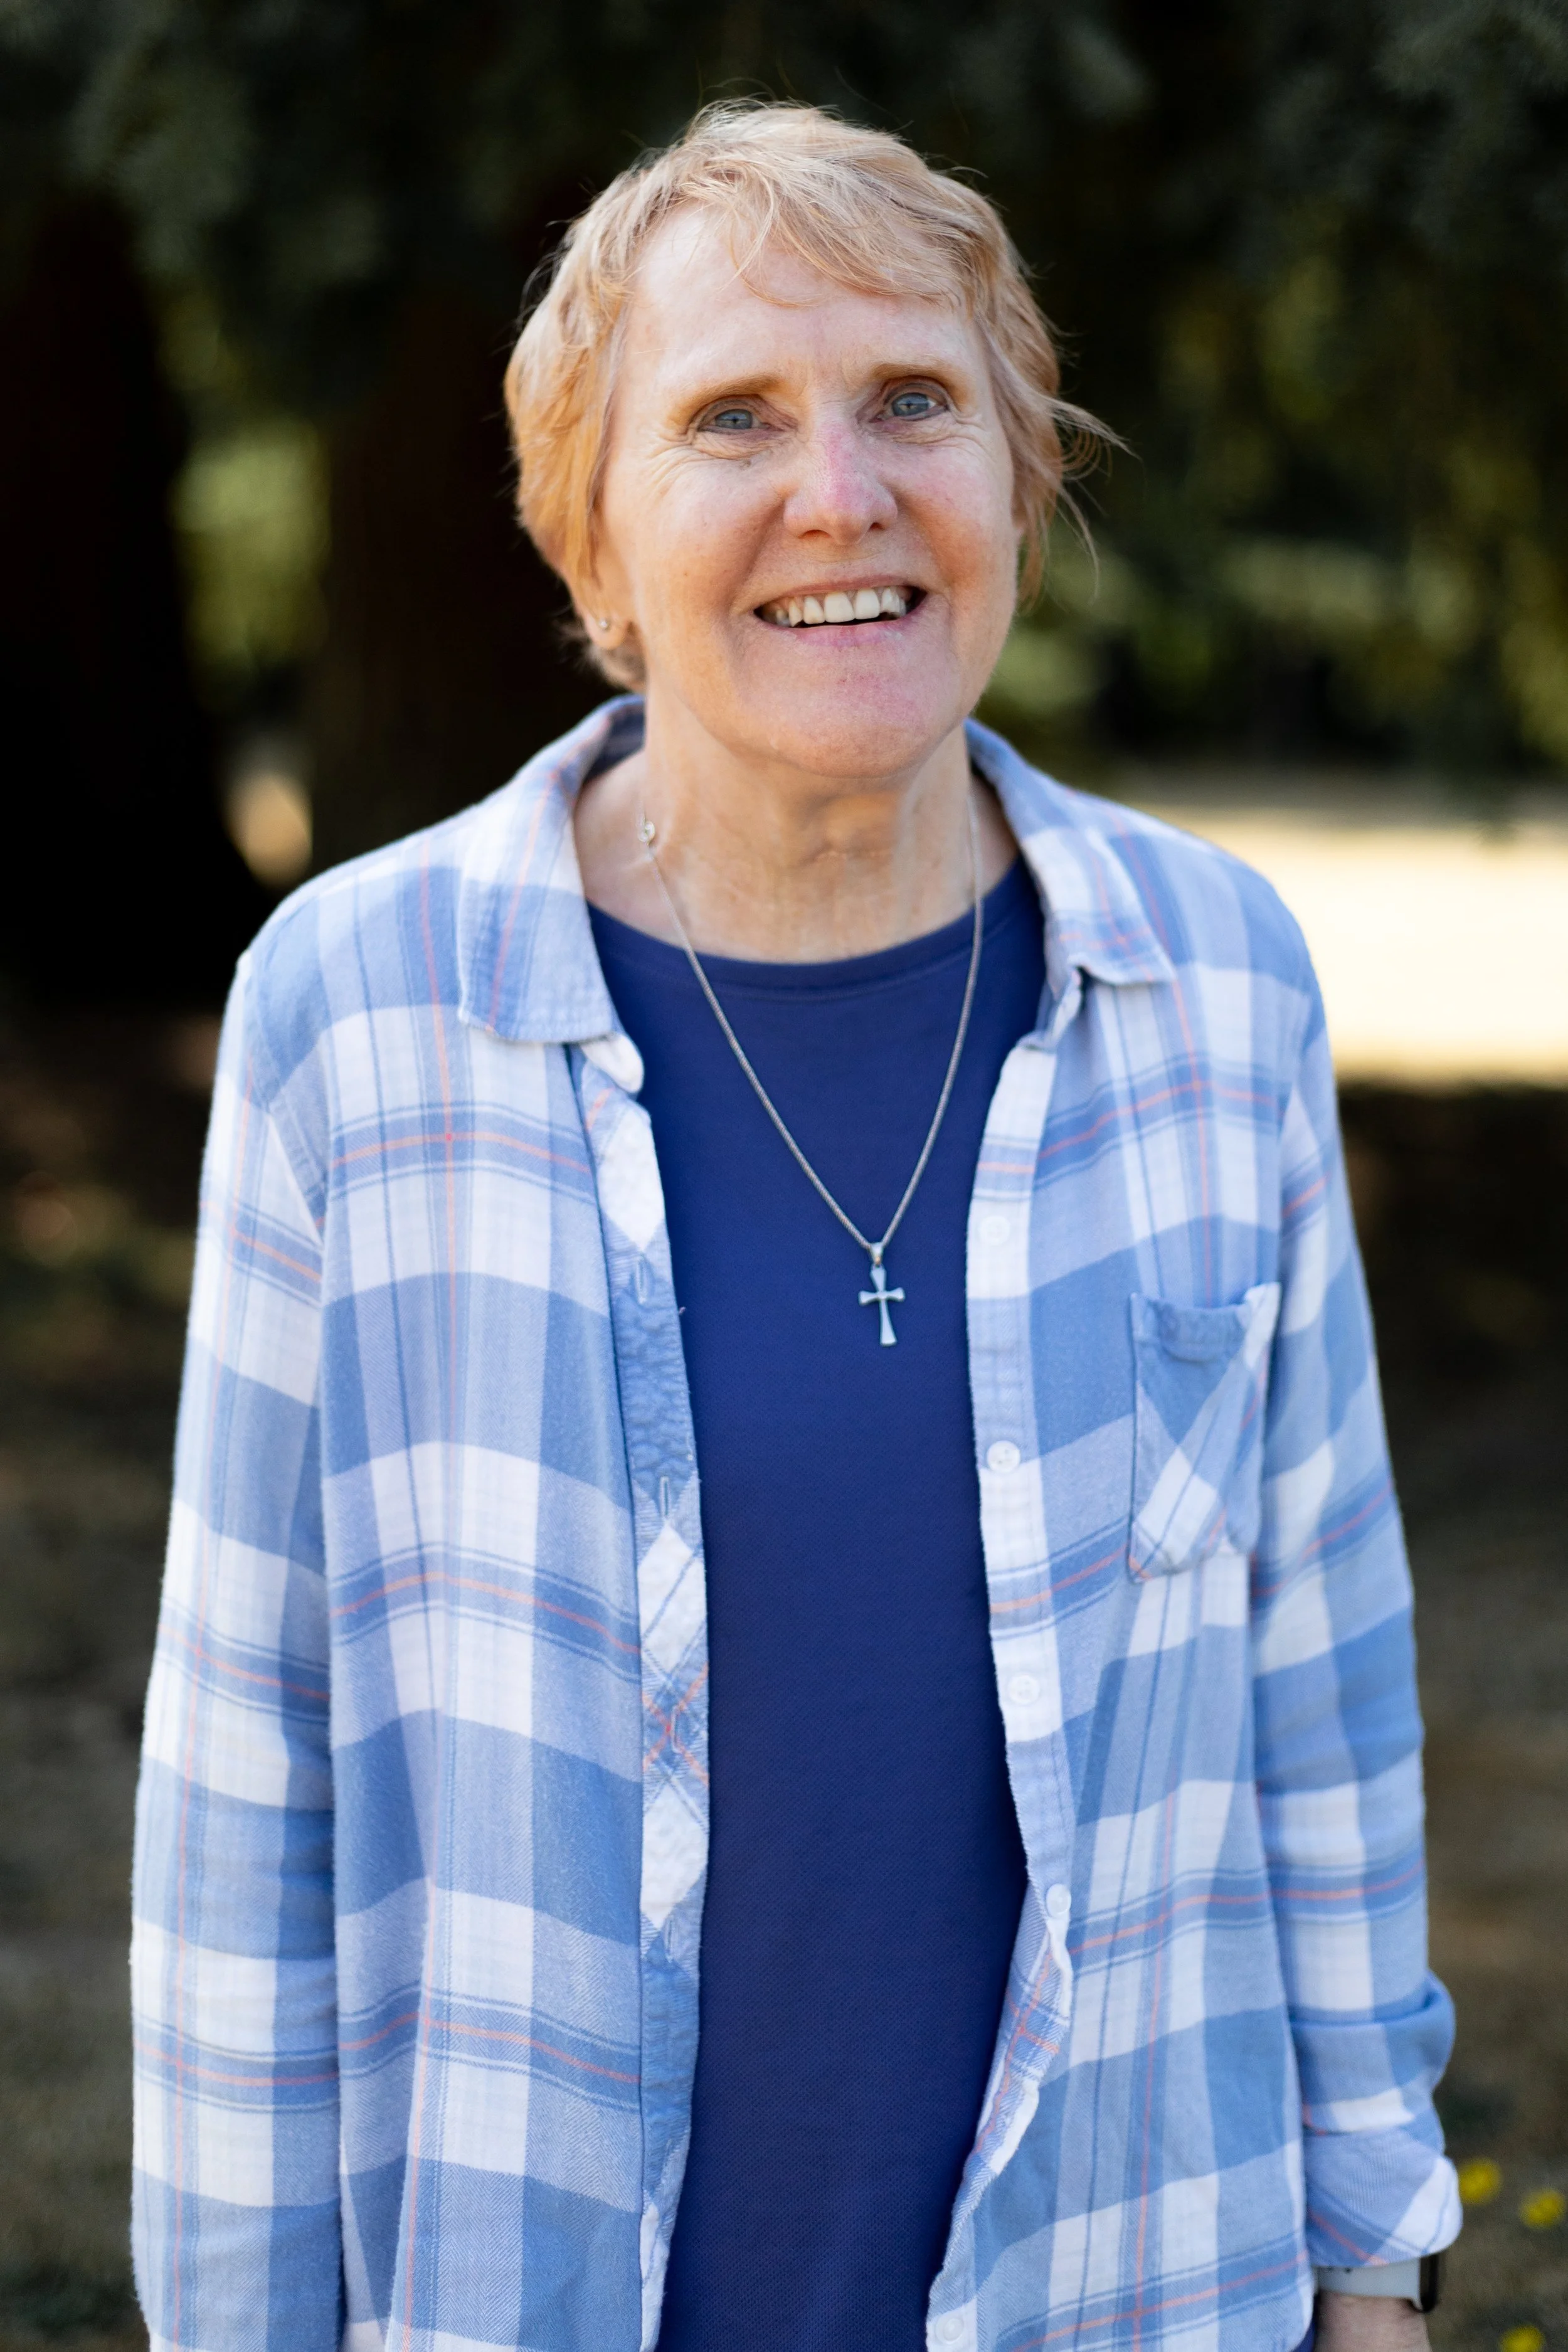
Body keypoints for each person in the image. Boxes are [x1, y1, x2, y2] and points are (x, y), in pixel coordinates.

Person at [130, 101, 1459, 2352]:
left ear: (1019, 481)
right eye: (729, 416)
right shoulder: (357, 1015)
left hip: (1124, 2291)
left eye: (913, 402)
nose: (838, 493)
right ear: (593, 543)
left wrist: (1372, 2268)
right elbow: (251, 1775)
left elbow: (1313, 1691)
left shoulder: (1212, 981)